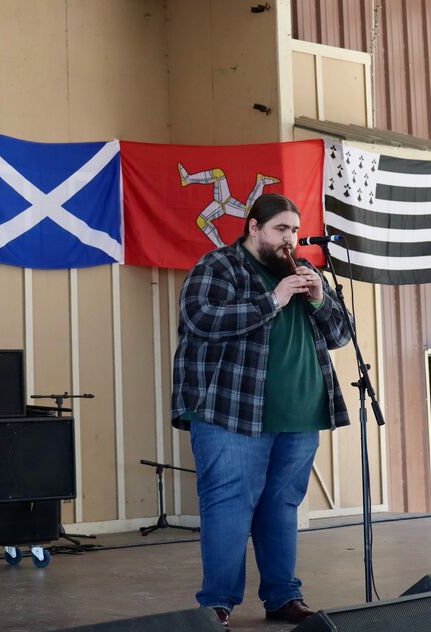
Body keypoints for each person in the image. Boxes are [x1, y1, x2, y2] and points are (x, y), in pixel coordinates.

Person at [171, 193, 352, 629]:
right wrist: (272, 300)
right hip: (231, 412)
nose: (290, 239)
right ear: (254, 228)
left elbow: (342, 334)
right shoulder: (219, 266)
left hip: (300, 413)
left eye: (294, 230)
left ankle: (283, 596)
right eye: (280, 230)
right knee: (228, 504)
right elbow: (200, 319)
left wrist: (318, 298)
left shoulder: (306, 273)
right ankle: (216, 603)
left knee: (282, 505)